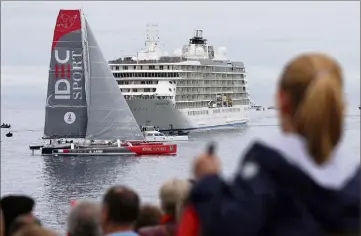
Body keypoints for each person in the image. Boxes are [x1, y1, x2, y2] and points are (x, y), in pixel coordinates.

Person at [177, 53, 360, 236]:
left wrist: (208, 180)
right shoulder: (354, 178)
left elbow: (228, 227)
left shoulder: (266, 168)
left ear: (281, 100)